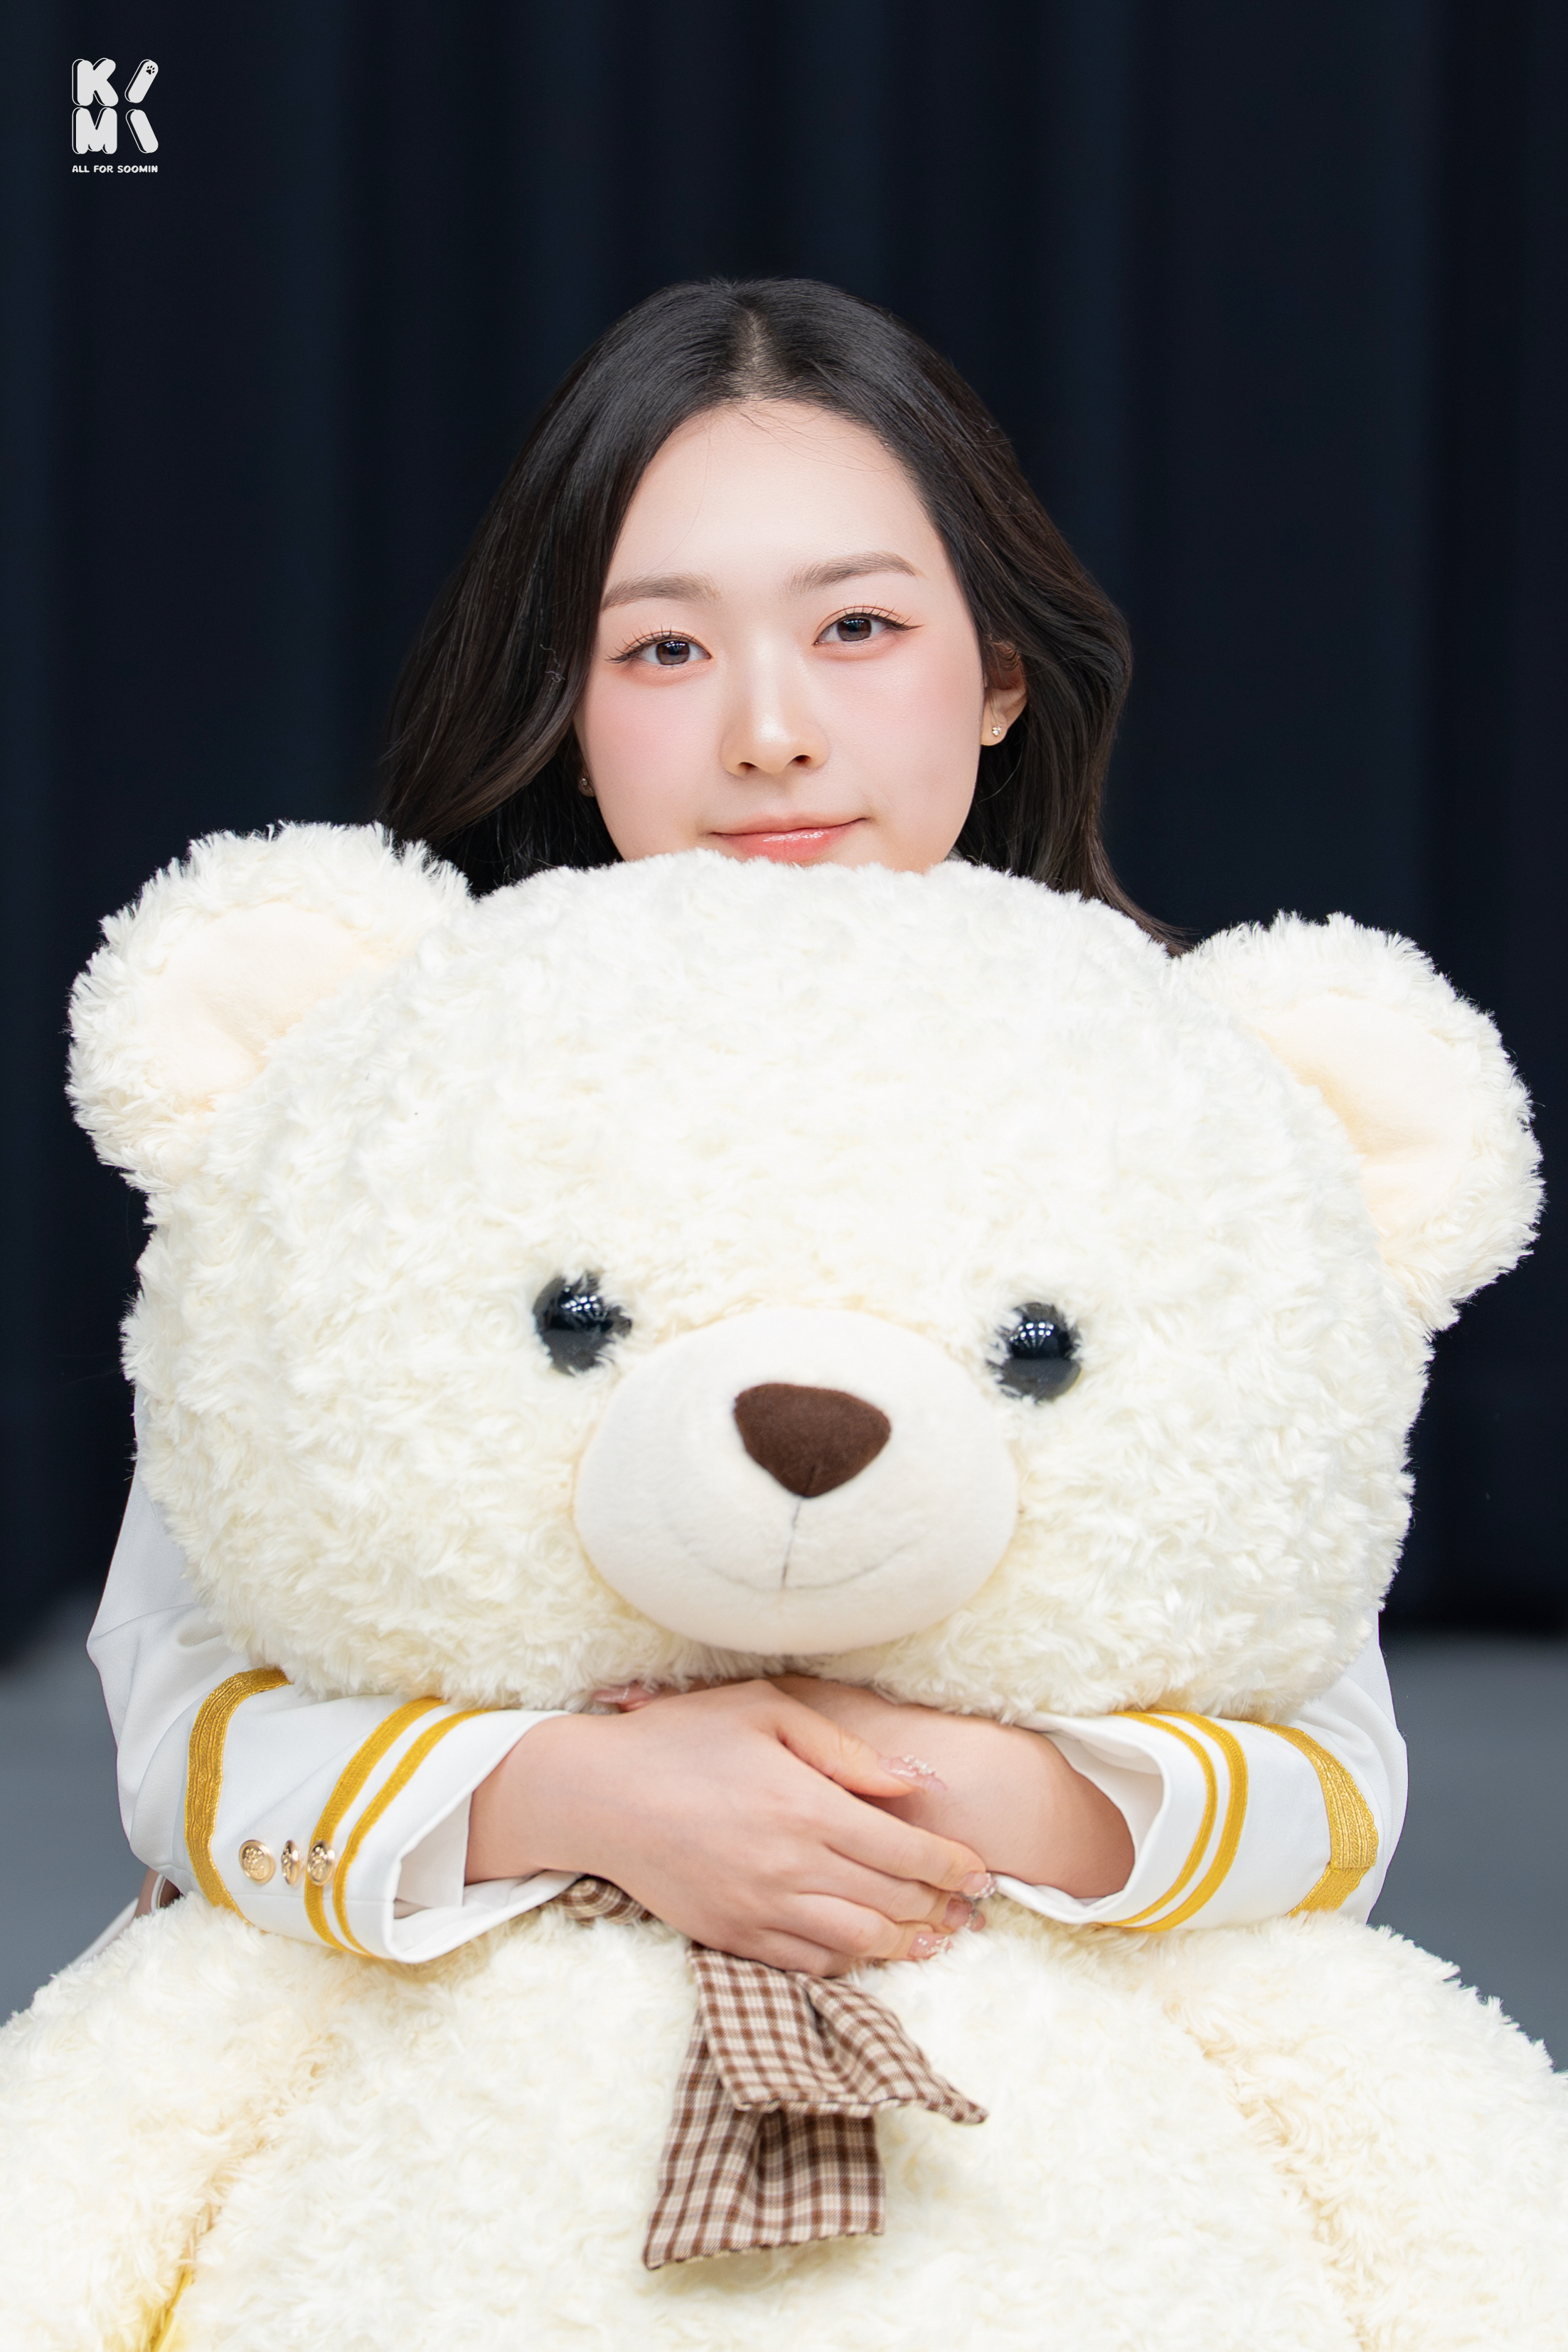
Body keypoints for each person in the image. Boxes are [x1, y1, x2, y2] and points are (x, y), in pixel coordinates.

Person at [90, 279, 1405, 1980]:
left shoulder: (1170, 1114)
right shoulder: (396, 1112)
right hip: (478, 2061)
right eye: (663, 649)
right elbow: (180, 1718)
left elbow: (1332, 1778)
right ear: (567, 711)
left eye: (855, 627)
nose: (769, 733)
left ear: (999, 673)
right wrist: (579, 1794)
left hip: (1014, 2061)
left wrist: (934, 1788)